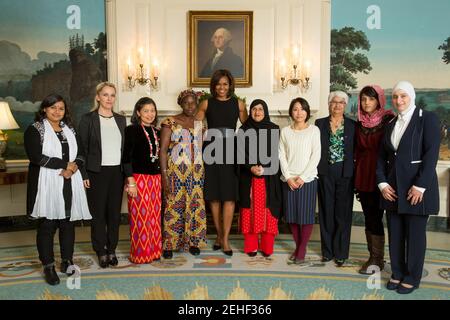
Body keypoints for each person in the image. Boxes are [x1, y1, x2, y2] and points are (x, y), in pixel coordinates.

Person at [377, 81, 440, 294]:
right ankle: (397, 272)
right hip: (392, 189)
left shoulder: (428, 119)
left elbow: (431, 155)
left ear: (411, 96)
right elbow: (382, 157)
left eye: (403, 96)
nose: (399, 100)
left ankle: (412, 276)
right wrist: (382, 183)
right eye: (395, 97)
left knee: (414, 235)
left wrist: (420, 186)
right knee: (395, 234)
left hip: (416, 189)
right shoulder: (390, 124)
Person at [24, 94, 92, 285]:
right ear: (44, 109)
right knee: (47, 225)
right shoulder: (34, 129)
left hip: (70, 182)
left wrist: (73, 168)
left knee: (67, 224)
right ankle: (48, 266)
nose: (57, 111)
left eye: (61, 108)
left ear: (65, 111)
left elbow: (81, 153)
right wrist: (65, 165)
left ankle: (67, 261)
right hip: (46, 184)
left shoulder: (69, 129)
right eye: (53, 107)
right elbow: (36, 157)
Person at [195, 69, 248, 256]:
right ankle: (219, 235)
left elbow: (248, 128)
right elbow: (194, 128)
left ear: (230, 85)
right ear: (213, 86)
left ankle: (225, 239)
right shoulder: (206, 104)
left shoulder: (239, 104)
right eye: (218, 84)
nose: (222, 87)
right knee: (214, 196)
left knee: (229, 196)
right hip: (211, 151)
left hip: (232, 152)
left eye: (225, 84)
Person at [78, 82, 126, 268]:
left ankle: (112, 249)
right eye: (105, 95)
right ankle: (101, 250)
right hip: (96, 172)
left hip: (117, 173)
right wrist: (83, 174)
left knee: (114, 214)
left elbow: (124, 149)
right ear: (98, 97)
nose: (109, 99)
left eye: (112, 95)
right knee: (98, 214)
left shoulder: (121, 120)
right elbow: (81, 148)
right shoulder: (88, 119)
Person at [160, 90, 207, 258]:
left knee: (195, 205)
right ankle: (169, 244)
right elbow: (163, 151)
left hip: (196, 173)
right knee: (174, 206)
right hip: (175, 172)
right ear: (180, 103)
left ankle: (193, 241)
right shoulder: (170, 122)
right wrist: (165, 177)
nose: (190, 106)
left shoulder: (200, 123)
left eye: (193, 103)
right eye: (186, 103)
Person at [354, 85, 394, 275]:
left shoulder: (389, 120)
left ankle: (388, 258)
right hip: (363, 175)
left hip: (383, 176)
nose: (366, 102)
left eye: (370, 98)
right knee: (370, 218)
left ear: (379, 100)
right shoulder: (359, 122)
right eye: (363, 99)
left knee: (384, 218)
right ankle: (375, 258)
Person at [315, 91, 356, 267]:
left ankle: (340, 252)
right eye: (333, 101)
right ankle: (327, 251)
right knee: (326, 212)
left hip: (345, 174)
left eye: (341, 102)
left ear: (345, 106)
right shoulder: (319, 124)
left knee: (343, 214)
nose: (337, 105)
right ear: (328, 104)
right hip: (325, 172)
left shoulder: (354, 126)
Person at [279, 98, 321, 265]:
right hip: (288, 179)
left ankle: (301, 250)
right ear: (291, 112)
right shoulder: (285, 131)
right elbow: (281, 155)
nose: (299, 112)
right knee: (292, 217)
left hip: (308, 179)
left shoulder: (314, 130)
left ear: (307, 112)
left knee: (306, 216)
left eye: (302, 109)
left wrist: (303, 177)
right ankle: (298, 247)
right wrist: (288, 176)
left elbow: (315, 155)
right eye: (295, 109)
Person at [238, 99, 282, 258]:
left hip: (269, 179)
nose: (257, 112)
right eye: (254, 109)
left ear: (266, 112)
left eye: (261, 109)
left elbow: (278, 155)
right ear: (250, 112)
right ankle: (251, 246)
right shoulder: (243, 130)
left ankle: (266, 246)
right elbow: (238, 155)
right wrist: (251, 167)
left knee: (267, 211)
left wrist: (264, 168)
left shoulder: (274, 129)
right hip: (249, 178)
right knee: (250, 211)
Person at [123, 97, 162, 263]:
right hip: (138, 179)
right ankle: (141, 253)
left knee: (154, 217)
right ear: (138, 112)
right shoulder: (132, 130)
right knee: (141, 217)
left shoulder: (157, 132)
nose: (150, 114)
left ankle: (154, 251)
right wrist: (130, 181)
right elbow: (126, 158)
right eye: (146, 111)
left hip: (156, 180)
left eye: (152, 111)